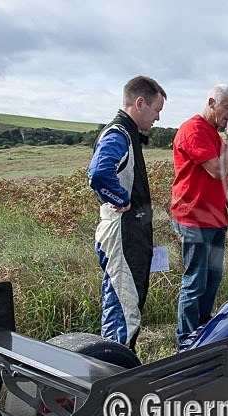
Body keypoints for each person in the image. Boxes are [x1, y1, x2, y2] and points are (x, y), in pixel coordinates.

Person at [87, 75, 166, 350]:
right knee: (123, 309)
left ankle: (118, 369)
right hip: (121, 231)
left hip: (131, 233)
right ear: (140, 103)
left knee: (128, 302)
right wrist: (120, 198)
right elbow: (98, 173)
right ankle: (114, 375)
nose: (157, 118)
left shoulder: (129, 134)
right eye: (156, 110)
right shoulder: (119, 133)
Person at [171, 84, 228, 345]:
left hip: (215, 217)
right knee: (195, 282)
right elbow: (216, 170)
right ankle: (186, 341)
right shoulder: (193, 130)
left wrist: (227, 199)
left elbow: (212, 180)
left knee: (213, 278)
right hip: (194, 218)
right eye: (226, 108)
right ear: (211, 102)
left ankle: (202, 331)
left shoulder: (213, 133)